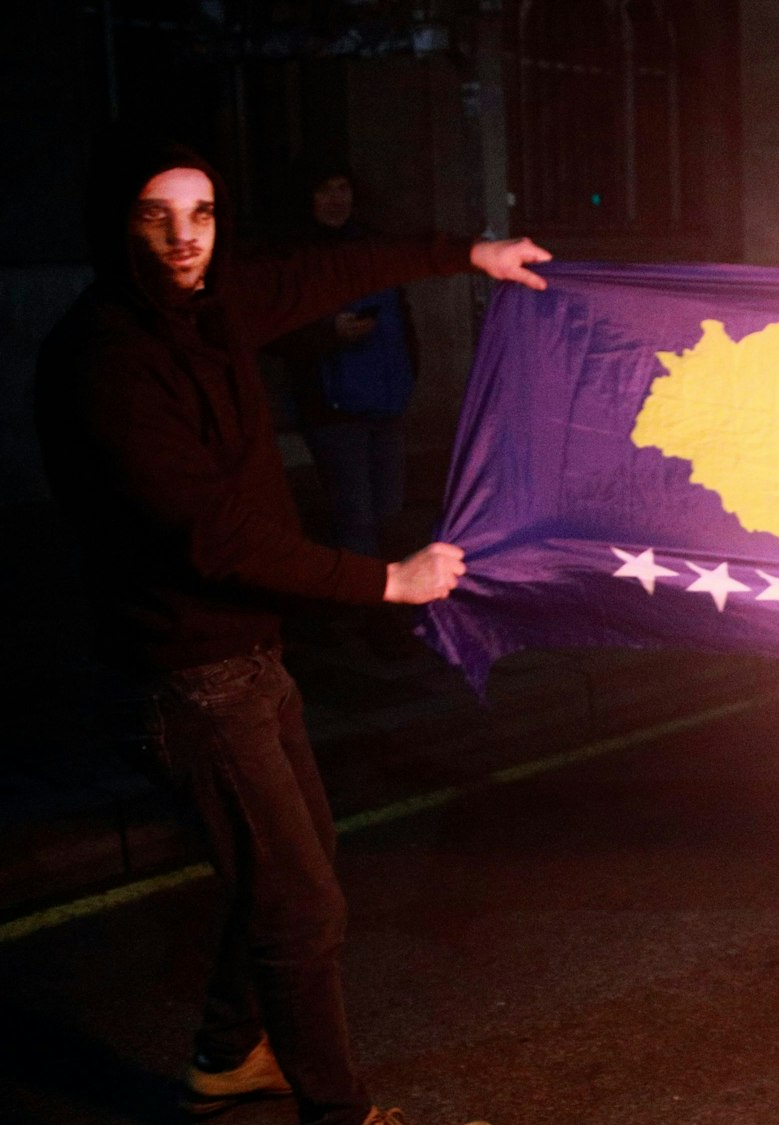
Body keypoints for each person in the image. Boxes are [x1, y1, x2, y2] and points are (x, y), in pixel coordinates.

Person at [33, 124, 550, 1125]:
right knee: (301, 904)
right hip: (187, 673)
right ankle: (339, 1113)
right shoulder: (104, 362)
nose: (186, 238)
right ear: (117, 224)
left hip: (250, 653)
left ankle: (228, 1055)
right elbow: (214, 539)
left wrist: (465, 255)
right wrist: (382, 582)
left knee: (278, 878)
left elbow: (330, 268)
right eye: (156, 216)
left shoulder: (211, 303)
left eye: (203, 213)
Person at [269, 161, 422, 561]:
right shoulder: (294, 256)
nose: (336, 200)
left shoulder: (370, 246)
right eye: (325, 190)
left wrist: (406, 380)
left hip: (385, 401)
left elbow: (401, 318)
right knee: (355, 518)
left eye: (342, 188)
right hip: (332, 408)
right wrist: (328, 333)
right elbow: (277, 330)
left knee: (390, 515)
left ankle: (391, 608)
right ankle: (362, 610)